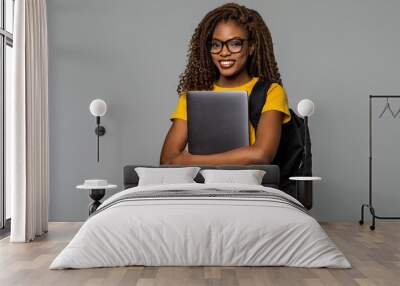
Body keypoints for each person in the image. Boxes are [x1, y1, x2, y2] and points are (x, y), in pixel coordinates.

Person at [160, 2, 291, 165]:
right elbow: (167, 159)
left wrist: (190, 160)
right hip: (202, 187)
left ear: (251, 47)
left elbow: (261, 155)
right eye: (216, 44)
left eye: (235, 43)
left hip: (250, 187)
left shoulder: (271, 92)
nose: (224, 52)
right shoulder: (194, 95)